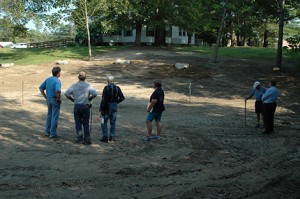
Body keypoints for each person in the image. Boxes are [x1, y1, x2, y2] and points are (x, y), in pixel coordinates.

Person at [65, 71, 97, 145]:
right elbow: (95, 94)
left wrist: (72, 99)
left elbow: (66, 94)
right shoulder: (88, 85)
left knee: (78, 123)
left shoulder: (74, 85)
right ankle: (87, 139)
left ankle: (79, 138)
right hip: (85, 106)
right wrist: (90, 98)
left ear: (78, 77)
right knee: (86, 123)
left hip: (77, 106)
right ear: (85, 77)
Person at [99, 76, 125, 143]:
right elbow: (122, 98)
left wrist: (101, 109)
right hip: (114, 106)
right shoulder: (117, 88)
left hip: (106, 106)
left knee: (103, 122)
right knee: (113, 122)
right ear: (114, 81)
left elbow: (104, 99)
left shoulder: (106, 88)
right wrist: (116, 102)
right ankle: (112, 137)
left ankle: (105, 137)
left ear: (107, 81)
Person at [39, 66, 62, 138]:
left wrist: (45, 97)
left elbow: (41, 88)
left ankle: (47, 131)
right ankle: (53, 133)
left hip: (49, 99)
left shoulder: (48, 79)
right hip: (55, 99)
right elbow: (58, 91)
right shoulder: (57, 81)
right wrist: (58, 98)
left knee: (49, 116)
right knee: (55, 117)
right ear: (58, 73)